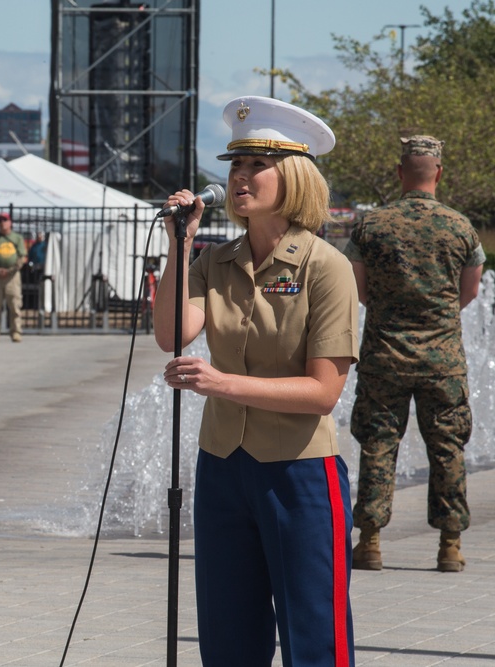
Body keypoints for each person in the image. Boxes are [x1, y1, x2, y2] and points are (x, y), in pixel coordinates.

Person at [154, 96, 359, 666]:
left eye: (257, 166)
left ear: (291, 175)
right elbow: (172, 335)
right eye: (236, 165)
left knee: (315, 635)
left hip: (299, 472)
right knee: (227, 636)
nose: (240, 177)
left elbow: (323, 392)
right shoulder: (214, 261)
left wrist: (223, 384)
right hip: (222, 466)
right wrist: (180, 242)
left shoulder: (325, 267)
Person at [345, 135, 484, 573]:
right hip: (441, 360)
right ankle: (450, 545)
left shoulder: (371, 225)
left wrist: (392, 313)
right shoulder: (461, 227)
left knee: (378, 444)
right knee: (447, 447)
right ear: (439, 173)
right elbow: (471, 291)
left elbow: (358, 289)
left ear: (400, 172)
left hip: (384, 354)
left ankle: (369, 542)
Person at [0, 211, 27, 343]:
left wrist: (11, 270)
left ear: (10, 223)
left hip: (12, 276)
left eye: (5, 220)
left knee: (14, 304)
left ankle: (16, 331)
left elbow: (22, 256)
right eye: (0, 221)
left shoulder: (17, 238)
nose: (2, 223)